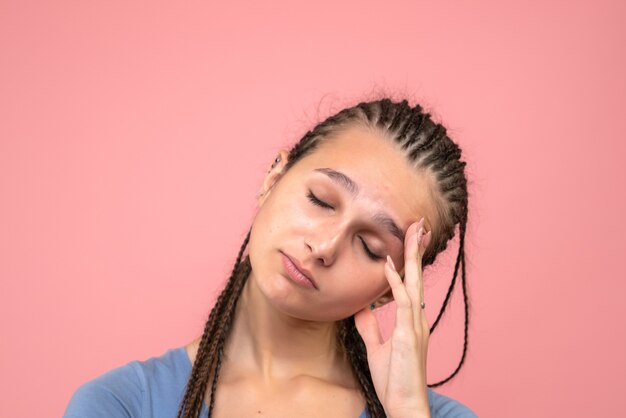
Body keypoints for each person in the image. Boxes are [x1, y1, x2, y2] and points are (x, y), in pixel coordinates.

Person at [63, 98, 476, 418]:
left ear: (394, 287)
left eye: (369, 246)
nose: (325, 246)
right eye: (320, 200)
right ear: (273, 178)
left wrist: (405, 410)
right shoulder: (123, 404)